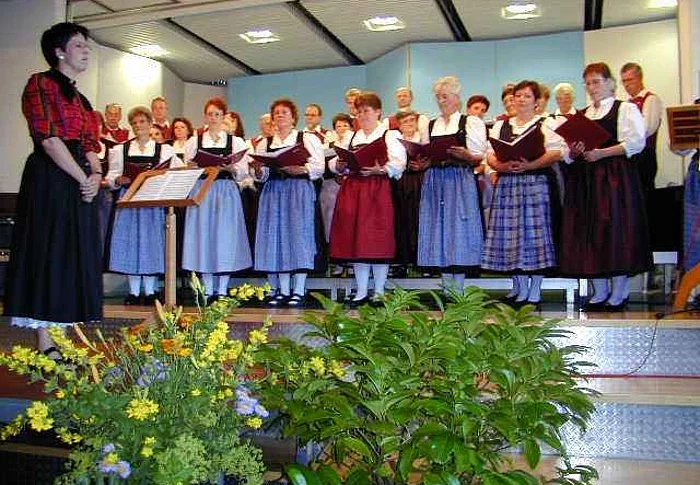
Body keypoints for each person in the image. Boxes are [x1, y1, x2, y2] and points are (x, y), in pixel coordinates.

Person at [4, 22, 103, 358]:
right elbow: (48, 139)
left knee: (73, 255)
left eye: (87, 45)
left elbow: (90, 143)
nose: (86, 51)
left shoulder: (82, 98)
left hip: (79, 178)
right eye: (78, 45)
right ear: (59, 51)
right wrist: (82, 177)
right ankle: (46, 341)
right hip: (51, 176)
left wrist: (96, 175)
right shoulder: (40, 83)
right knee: (49, 251)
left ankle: (64, 333)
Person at [560, 62, 650, 311]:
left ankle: (619, 292)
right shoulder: (583, 115)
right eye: (588, 83)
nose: (592, 87)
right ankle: (599, 291)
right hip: (586, 180)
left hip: (613, 178)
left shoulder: (625, 108)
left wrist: (601, 153)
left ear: (610, 83)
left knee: (615, 231)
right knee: (588, 232)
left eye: (596, 82)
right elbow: (567, 155)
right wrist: (576, 151)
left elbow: (635, 143)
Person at [482, 80, 565, 307]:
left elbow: (557, 151)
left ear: (537, 101)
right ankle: (519, 288)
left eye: (527, 96)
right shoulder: (501, 125)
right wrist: (501, 166)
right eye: (518, 95)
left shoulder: (547, 123)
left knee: (534, 236)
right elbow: (489, 154)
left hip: (535, 183)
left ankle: (535, 291)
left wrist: (530, 165)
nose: (521, 100)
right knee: (510, 237)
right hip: (508, 185)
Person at [329, 92, 406, 305]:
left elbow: (399, 162)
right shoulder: (351, 137)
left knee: (377, 240)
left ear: (378, 112)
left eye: (366, 111)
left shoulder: (389, 135)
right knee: (357, 241)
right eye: (359, 112)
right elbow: (334, 161)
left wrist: (380, 169)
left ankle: (379, 291)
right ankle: (361, 290)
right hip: (354, 190)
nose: (362, 115)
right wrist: (339, 165)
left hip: (378, 190)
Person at [251, 98, 324, 307]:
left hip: (298, 190)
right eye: (276, 113)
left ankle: (299, 289)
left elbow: (319, 166)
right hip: (273, 191)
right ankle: (283, 290)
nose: (280, 115)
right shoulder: (265, 143)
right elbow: (261, 176)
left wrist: (302, 169)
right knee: (277, 237)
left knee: (299, 236)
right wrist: (258, 169)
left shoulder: (306, 138)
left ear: (293, 117)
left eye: (284, 112)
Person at [106, 106, 182, 305]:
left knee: (151, 243)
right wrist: (118, 179)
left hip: (151, 201)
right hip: (129, 200)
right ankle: (133, 291)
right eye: (134, 123)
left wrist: (161, 178)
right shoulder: (120, 149)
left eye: (142, 122)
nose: (138, 126)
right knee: (130, 243)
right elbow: (111, 176)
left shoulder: (164, 150)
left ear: (150, 124)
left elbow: (177, 171)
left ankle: (149, 291)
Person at [417, 76, 487, 292]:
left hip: (459, 179)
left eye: (445, 96)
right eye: (438, 97)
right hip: (435, 180)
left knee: (459, 228)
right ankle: (447, 289)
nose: (441, 101)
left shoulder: (470, 122)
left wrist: (466, 155)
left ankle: (459, 289)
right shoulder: (430, 125)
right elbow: (425, 153)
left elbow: (479, 156)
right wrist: (422, 162)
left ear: (457, 98)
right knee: (438, 228)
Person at [181, 98, 252, 302]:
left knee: (224, 237)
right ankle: (207, 288)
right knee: (203, 236)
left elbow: (242, 172)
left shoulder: (235, 142)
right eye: (210, 114)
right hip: (202, 190)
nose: (213, 118)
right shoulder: (194, 142)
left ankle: (222, 289)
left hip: (225, 190)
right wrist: (195, 167)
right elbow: (188, 169)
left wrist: (230, 167)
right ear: (205, 117)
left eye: (217, 114)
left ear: (223, 117)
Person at [620, 62, 664, 194]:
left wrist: (626, 134)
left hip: (644, 155)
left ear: (640, 78)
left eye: (630, 80)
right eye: (624, 81)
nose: (627, 84)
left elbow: (647, 129)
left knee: (645, 194)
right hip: (630, 156)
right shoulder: (626, 103)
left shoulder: (650, 99)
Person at [319, 113, 353, 276]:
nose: (342, 128)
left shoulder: (354, 142)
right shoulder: (328, 146)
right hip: (331, 189)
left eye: (345, 125)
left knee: (349, 223)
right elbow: (322, 167)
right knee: (331, 224)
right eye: (338, 126)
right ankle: (336, 261)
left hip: (350, 187)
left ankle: (351, 262)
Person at [393, 111, 426, 275]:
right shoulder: (395, 142)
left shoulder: (424, 139)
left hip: (422, 182)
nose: (410, 123)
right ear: (399, 125)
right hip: (402, 183)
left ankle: (423, 261)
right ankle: (403, 261)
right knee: (403, 221)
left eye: (412, 120)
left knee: (421, 220)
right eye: (405, 121)